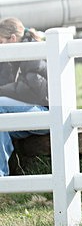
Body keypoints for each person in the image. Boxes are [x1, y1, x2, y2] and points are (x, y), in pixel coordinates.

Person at [0, 18, 48, 177]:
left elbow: (33, 91)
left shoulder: (32, 52)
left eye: (1, 41)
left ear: (12, 39)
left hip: (45, 114)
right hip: (27, 114)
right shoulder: (12, 55)